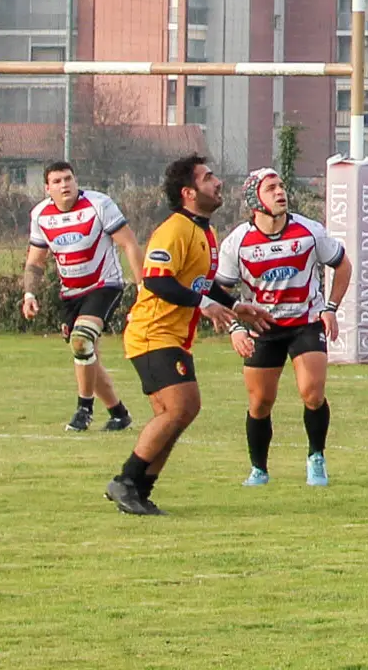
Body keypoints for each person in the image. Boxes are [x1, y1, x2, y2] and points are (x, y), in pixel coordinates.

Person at [106, 155, 272, 516]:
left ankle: (139, 491)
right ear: (189, 192)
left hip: (173, 336)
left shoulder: (204, 231)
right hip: (152, 333)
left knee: (176, 414)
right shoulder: (175, 230)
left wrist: (235, 305)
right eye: (208, 178)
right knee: (182, 407)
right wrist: (204, 305)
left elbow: (201, 282)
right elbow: (157, 281)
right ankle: (125, 481)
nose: (218, 183)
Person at [220, 168, 352, 488]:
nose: (280, 192)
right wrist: (236, 327)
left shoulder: (309, 231)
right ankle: (259, 469)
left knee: (312, 393)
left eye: (281, 186)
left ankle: (316, 457)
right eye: (271, 188)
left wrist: (330, 308)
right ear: (254, 199)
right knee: (260, 402)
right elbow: (220, 291)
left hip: (305, 323)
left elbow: (343, 265)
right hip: (263, 328)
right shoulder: (237, 242)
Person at [21, 161, 143, 433]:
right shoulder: (40, 215)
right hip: (70, 294)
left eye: (68, 179)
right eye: (57, 181)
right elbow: (36, 261)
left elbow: (129, 244)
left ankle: (83, 410)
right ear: (47, 188)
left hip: (104, 285)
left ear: (76, 181)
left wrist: (142, 287)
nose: (64, 185)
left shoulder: (99, 204)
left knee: (81, 340)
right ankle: (119, 414)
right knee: (86, 354)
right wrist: (29, 293)